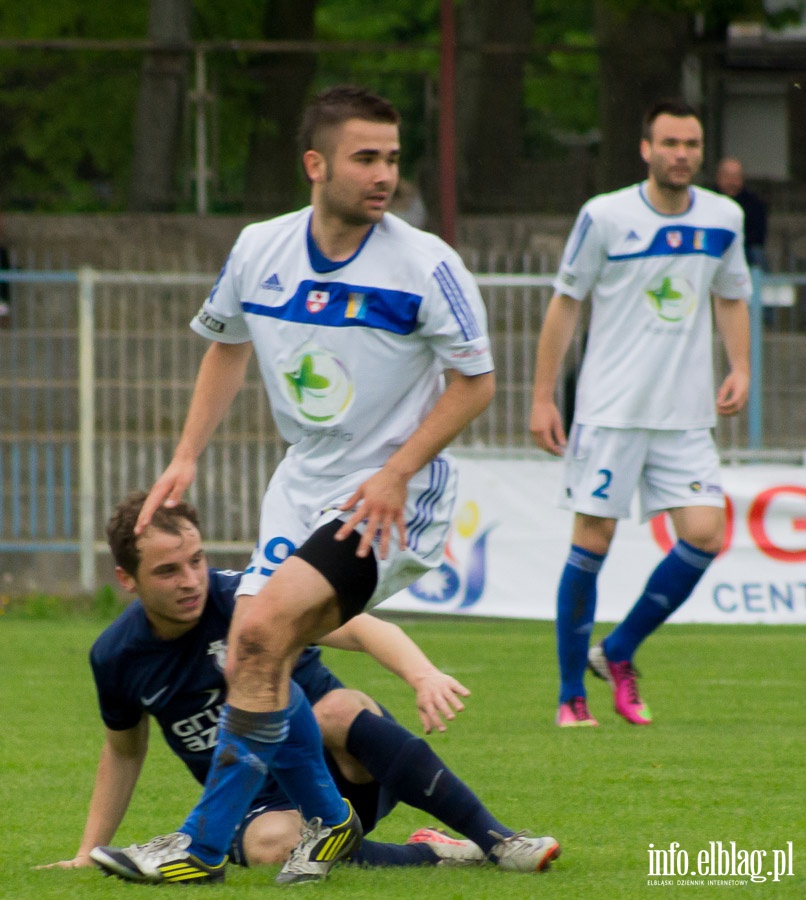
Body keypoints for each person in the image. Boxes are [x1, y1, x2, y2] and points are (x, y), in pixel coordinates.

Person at [89, 84, 507, 886]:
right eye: (365, 157)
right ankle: (325, 829)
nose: (383, 173)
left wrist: (395, 473)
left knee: (261, 632)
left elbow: (476, 382)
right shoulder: (259, 248)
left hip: (390, 497)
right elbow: (224, 345)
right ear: (316, 164)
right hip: (301, 488)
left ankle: (200, 845)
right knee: (255, 647)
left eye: (391, 156)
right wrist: (185, 457)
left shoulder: (427, 264)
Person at [41, 493, 559, 877]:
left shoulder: (250, 603)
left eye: (196, 561)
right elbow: (123, 754)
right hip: (257, 803)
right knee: (272, 846)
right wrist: (89, 852)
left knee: (333, 709)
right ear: (126, 580)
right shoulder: (116, 656)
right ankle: (436, 854)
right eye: (168, 570)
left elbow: (363, 628)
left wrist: (421, 674)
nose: (191, 581)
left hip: (349, 764)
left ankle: (497, 839)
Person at [530, 99, 751, 729]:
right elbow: (565, 304)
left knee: (706, 533)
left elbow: (732, 296)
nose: (682, 153)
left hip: (684, 416)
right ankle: (572, 695)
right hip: (610, 410)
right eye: (670, 143)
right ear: (645, 150)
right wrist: (544, 397)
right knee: (592, 541)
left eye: (692, 143)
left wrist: (740, 367)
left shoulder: (724, 217)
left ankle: (619, 650)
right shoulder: (605, 216)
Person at [715, 156, 768, 269]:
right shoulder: (708, 200)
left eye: (736, 177)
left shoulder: (754, 203)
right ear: (718, 177)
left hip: (745, 248)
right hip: (714, 244)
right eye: (728, 177)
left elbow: (758, 236)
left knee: (757, 254)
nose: (732, 182)